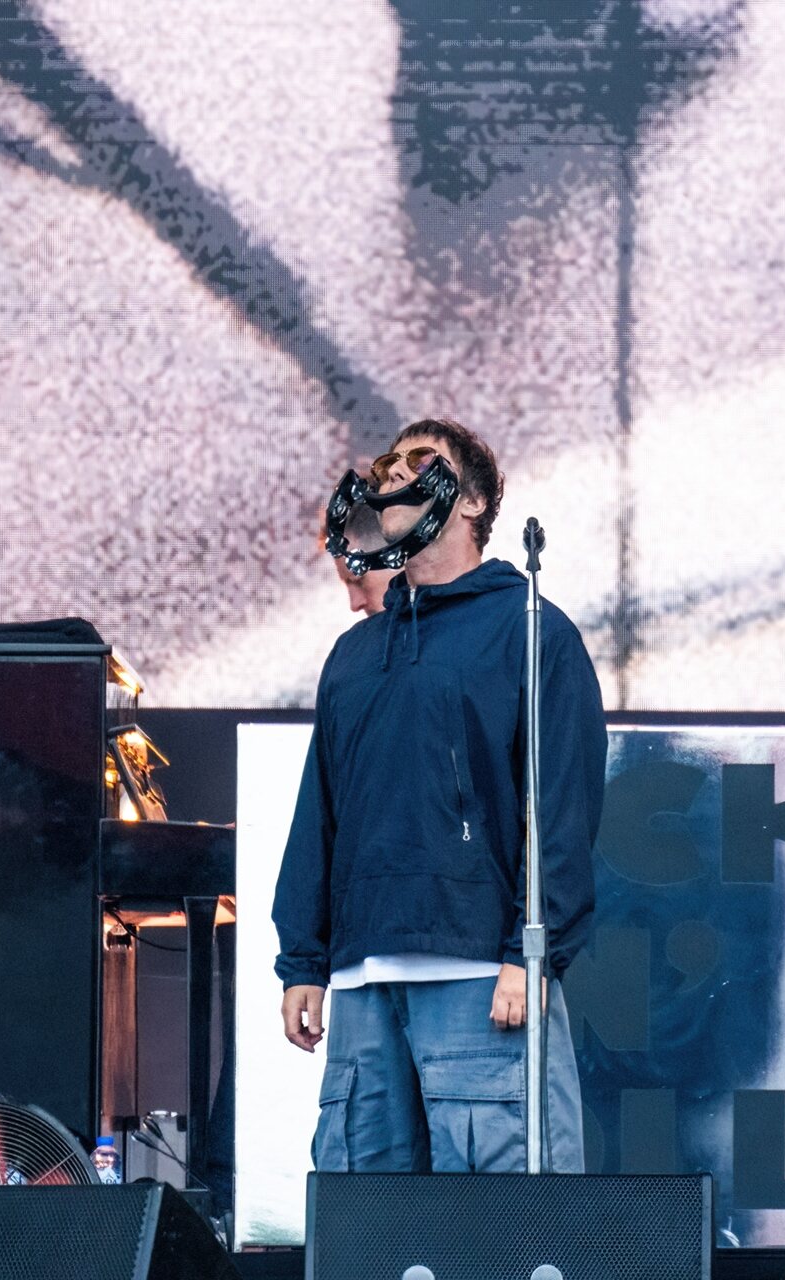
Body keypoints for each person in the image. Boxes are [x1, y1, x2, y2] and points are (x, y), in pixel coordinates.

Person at [272, 417, 607, 1174]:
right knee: (367, 1215)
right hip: (363, 979)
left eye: (420, 462)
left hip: (478, 971)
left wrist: (531, 951)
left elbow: (562, 806)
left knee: (499, 1219)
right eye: (387, 465)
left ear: (473, 501)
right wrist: (303, 961)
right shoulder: (354, 654)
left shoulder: (532, 631)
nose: (394, 475)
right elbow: (320, 812)